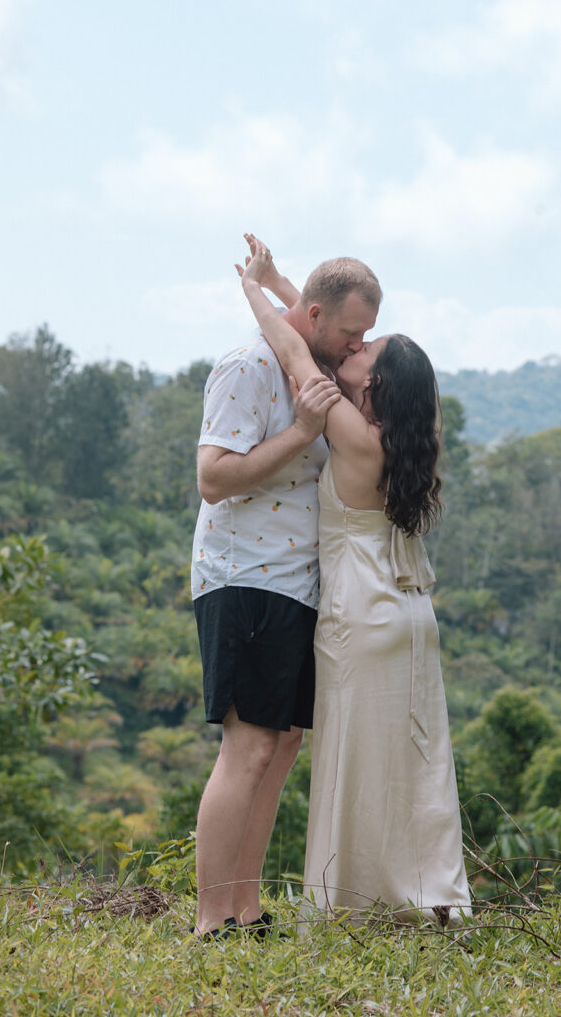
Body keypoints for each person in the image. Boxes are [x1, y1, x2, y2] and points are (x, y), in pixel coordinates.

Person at [238, 234, 471, 927]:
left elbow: (293, 350)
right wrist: (290, 285)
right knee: (414, 764)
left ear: (370, 385)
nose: (351, 349)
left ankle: (353, 908)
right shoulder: (402, 443)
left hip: (361, 617)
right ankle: (425, 895)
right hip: (411, 620)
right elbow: (319, 335)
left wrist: (253, 289)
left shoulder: (351, 433)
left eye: (365, 350)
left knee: (355, 768)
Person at [190, 249, 382, 938]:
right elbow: (213, 478)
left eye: (365, 337)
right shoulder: (247, 366)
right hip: (243, 575)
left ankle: (246, 907)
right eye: (348, 335)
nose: (356, 348)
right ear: (311, 317)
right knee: (247, 746)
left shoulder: (317, 364)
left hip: (299, 582)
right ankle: (213, 920)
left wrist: (270, 282)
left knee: (282, 742)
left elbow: (319, 315)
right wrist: (302, 432)